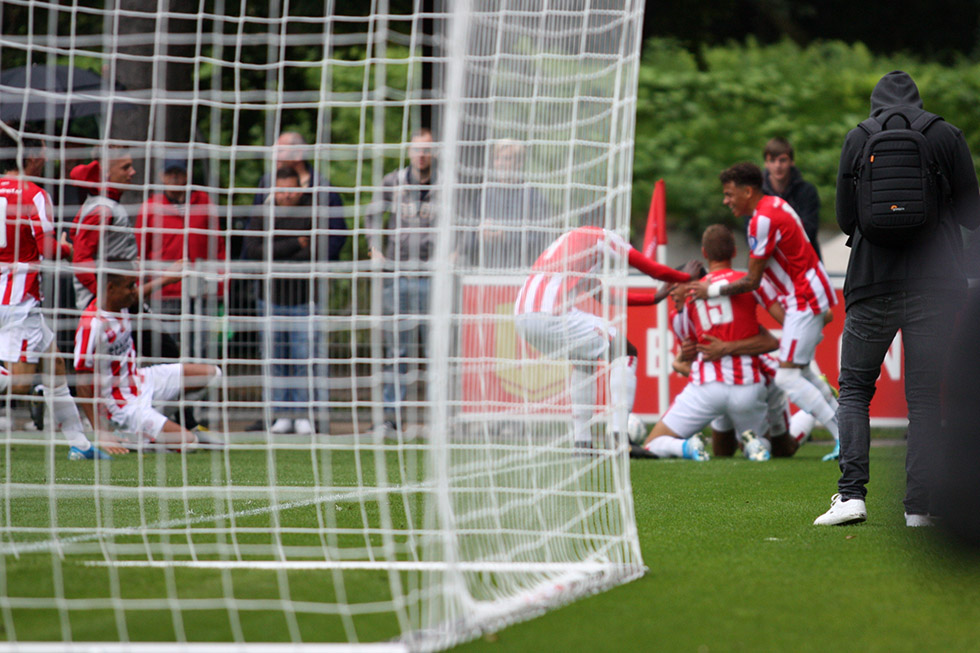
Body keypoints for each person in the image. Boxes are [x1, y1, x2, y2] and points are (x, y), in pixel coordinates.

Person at [814, 70, 980, 527]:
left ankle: (850, 497)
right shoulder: (946, 134)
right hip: (937, 283)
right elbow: (972, 214)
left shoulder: (858, 137)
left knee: (854, 392)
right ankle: (919, 507)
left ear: (875, 104)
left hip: (871, 282)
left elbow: (848, 219)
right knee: (925, 397)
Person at [689, 162, 841, 462]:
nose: (726, 200)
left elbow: (752, 280)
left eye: (730, 194)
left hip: (805, 298)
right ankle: (847, 436)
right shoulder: (775, 205)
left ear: (748, 191)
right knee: (805, 373)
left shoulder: (763, 219)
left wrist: (712, 290)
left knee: (787, 378)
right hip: (807, 295)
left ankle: (846, 440)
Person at [0, 130, 122, 459]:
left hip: (14, 299)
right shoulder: (34, 193)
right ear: (31, 156)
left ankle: (79, 445)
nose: (46, 156)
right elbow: (48, 250)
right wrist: (66, 247)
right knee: (21, 383)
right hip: (17, 300)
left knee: (55, 368)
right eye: (42, 150)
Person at [514, 225, 690, 451]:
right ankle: (618, 437)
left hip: (523, 316)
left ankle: (582, 443)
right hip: (550, 313)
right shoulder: (600, 235)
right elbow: (651, 269)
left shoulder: (573, 245)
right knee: (625, 351)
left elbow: (602, 295)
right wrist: (686, 276)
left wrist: (654, 298)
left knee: (584, 359)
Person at [642, 225, 773, 461]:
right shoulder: (749, 283)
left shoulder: (692, 295)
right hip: (748, 384)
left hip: (709, 386)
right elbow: (772, 339)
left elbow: (690, 344)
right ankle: (755, 444)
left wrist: (688, 354)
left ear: (704, 252)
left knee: (653, 444)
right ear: (735, 251)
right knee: (760, 442)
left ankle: (687, 448)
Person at [74, 263, 221, 451]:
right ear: (110, 288)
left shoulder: (122, 305)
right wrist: (100, 432)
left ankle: (151, 425)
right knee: (189, 443)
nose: (133, 291)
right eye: (130, 286)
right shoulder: (93, 325)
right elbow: (82, 381)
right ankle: (135, 434)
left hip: (142, 380)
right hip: (120, 406)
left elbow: (136, 294)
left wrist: (167, 279)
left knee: (213, 374)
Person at [134, 158, 225, 429]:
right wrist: (143, 289)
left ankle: (192, 415)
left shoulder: (205, 203)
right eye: (169, 173)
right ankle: (168, 415)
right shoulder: (150, 207)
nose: (174, 178)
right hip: (164, 295)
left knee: (201, 354)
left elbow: (217, 246)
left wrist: (220, 284)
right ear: (161, 175)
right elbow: (140, 250)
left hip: (200, 295)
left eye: (179, 173)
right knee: (167, 356)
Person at [367, 128, 439, 436]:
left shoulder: (447, 184)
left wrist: (454, 251)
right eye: (417, 149)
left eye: (427, 149)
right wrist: (374, 247)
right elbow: (372, 215)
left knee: (437, 351)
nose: (421, 155)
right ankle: (389, 419)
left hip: (433, 278)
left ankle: (440, 420)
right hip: (397, 277)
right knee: (397, 351)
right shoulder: (393, 182)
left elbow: (464, 218)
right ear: (409, 151)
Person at [243, 167, 317, 435]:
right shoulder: (263, 213)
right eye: (282, 189)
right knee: (275, 360)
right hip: (270, 299)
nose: (286, 195)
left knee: (303, 359)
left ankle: (303, 414)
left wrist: (276, 251)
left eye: (292, 189)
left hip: (304, 300)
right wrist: (295, 243)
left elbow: (315, 253)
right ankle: (281, 415)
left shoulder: (312, 212)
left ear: (301, 188)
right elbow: (253, 251)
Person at [466, 139, 553, 269]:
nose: (500, 164)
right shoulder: (485, 196)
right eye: (497, 159)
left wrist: (506, 236)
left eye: (506, 159)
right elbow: (469, 238)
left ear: (519, 163)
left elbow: (540, 239)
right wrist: (480, 234)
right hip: (489, 271)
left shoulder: (534, 197)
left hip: (522, 272)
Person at [761, 137, 823, 260]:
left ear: (791, 162)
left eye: (782, 160)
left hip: (804, 260)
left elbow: (809, 230)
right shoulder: (757, 193)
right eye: (772, 161)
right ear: (766, 163)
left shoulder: (807, 191)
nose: (778, 166)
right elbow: (751, 232)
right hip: (769, 262)